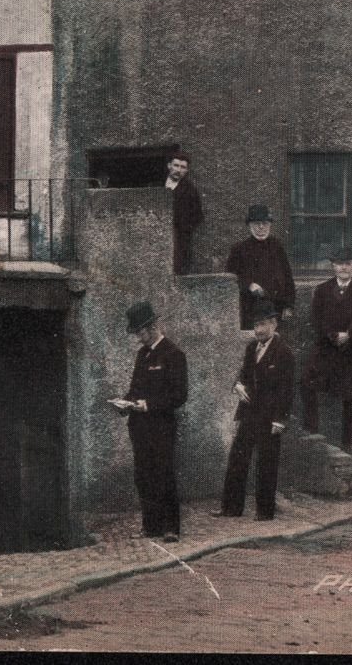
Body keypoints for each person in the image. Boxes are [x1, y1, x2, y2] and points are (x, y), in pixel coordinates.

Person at [212, 300, 295, 520]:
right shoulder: (251, 348)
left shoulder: (284, 353)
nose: (258, 330)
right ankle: (231, 507)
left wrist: (280, 419)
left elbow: (287, 390)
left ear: (274, 325)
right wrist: (238, 385)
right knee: (238, 458)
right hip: (249, 413)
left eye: (263, 325)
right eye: (255, 325)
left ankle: (264, 511)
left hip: (270, 417)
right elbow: (243, 375)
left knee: (266, 463)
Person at [114, 301, 188, 542]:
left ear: (152, 327)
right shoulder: (142, 355)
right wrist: (124, 403)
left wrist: (149, 405)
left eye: (139, 332)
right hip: (139, 427)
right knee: (143, 476)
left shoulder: (174, 354)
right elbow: (135, 388)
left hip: (161, 427)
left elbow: (179, 396)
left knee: (164, 474)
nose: (138, 337)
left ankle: (171, 527)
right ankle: (151, 525)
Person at [303, 248, 352, 452]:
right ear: (333, 266)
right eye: (340, 263)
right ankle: (313, 432)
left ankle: (348, 441)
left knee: (350, 395)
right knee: (309, 382)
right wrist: (334, 336)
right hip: (327, 348)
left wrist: (350, 334)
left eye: (348, 263)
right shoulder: (322, 290)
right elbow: (317, 320)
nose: (344, 267)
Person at [224, 204, 295, 329]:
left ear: (269, 225)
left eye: (265, 223)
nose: (261, 227)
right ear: (250, 225)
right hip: (251, 307)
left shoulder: (277, 246)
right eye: (257, 223)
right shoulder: (239, 249)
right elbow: (230, 278)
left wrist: (288, 305)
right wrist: (249, 285)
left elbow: (287, 276)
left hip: (276, 307)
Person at [166, 152, 203, 275]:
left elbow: (198, 216)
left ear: (187, 170)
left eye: (183, 167)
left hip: (179, 240)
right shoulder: (156, 184)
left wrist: (182, 229)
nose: (178, 170)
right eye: (176, 165)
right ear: (169, 166)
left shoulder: (190, 191)